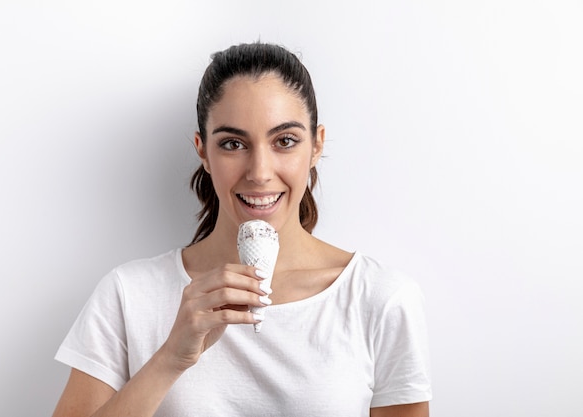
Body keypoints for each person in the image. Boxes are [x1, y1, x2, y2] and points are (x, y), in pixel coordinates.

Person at [52, 42, 432, 417]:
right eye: (233, 144)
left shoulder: (380, 298)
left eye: (285, 141)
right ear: (203, 150)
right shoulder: (130, 295)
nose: (260, 172)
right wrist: (171, 358)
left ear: (316, 145)